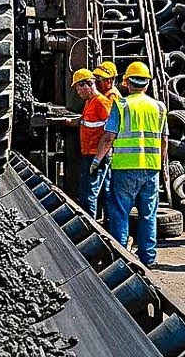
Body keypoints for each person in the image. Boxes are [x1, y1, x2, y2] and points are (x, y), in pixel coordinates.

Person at [94, 61, 167, 269]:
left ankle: (121, 258)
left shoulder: (121, 105)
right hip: (151, 169)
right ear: (147, 84)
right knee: (148, 214)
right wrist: (160, 166)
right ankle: (148, 258)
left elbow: (108, 137)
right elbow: (163, 141)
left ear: (126, 82)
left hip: (125, 168)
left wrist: (97, 160)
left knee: (119, 213)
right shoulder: (159, 107)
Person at [69, 68, 112, 218]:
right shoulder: (89, 102)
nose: (77, 92)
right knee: (104, 192)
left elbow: (111, 132)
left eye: (78, 88)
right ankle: (107, 226)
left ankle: (89, 229)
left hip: (96, 155)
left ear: (87, 84)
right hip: (91, 153)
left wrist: (99, 158)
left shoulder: (101, 102)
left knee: (89, 195)